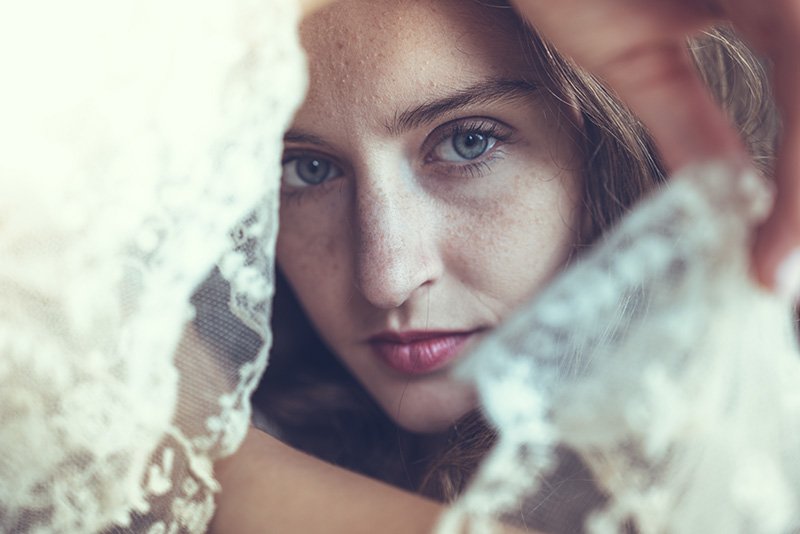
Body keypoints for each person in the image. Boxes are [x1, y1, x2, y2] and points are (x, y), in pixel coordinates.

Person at [211, 0, 789, 532]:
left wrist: (206, 467)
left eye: (467, 143)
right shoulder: (226, 394)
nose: (386, 279)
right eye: (306, 169)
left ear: (616, 142)